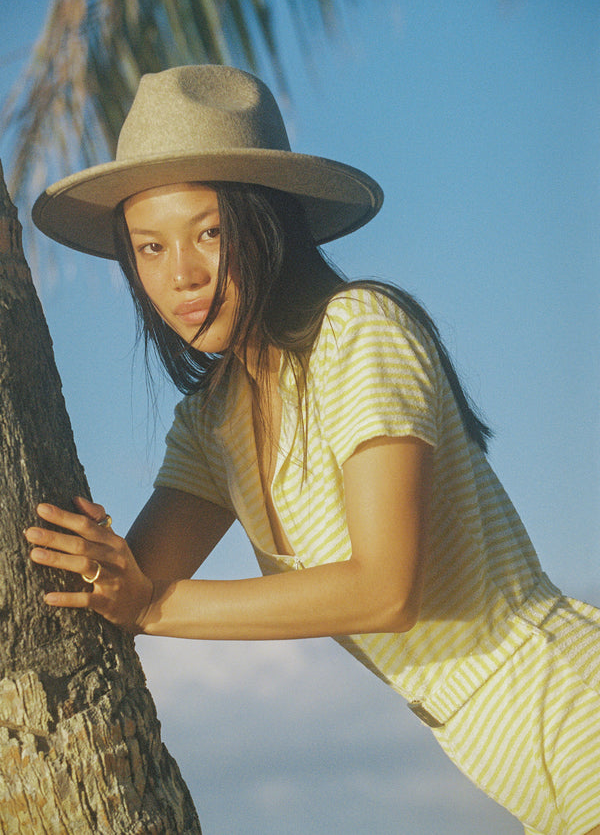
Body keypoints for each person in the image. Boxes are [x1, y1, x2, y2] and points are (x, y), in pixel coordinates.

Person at [28, 65, 600, 835]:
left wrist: (155, 603)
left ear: (264, 223)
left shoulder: (359, 331)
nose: (183, 276)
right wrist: (105, 569)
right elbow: (124, 593)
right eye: (150, 248)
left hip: (572, 711)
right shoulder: (212, 421)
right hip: (520, 766)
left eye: (208, 232)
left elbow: (384, 588)